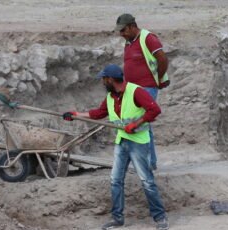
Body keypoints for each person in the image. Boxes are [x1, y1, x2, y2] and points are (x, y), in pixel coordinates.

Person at [63, 64, 169, 230]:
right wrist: (76, 115)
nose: (102, 83)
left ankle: (160, 218)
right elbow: (98, 113)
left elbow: (154, 110)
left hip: (139, 143)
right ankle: (117, 218)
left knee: (147, 181)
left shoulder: (135, 91)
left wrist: (136, 123)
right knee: (115, 180)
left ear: (110, 80)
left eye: (104, 79)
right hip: (122, 142)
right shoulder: (111, 97)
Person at [114, 13, 170, 171]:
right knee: (141, 124)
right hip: (133, 89)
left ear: (132, 26)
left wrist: (158, 78)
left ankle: (148, 161)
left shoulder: (148, 38)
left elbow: (162, 59)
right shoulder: (129, 42)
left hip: (147, 88)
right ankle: (147, 160)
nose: (121, 34)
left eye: (124, 30)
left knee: (141, 123)